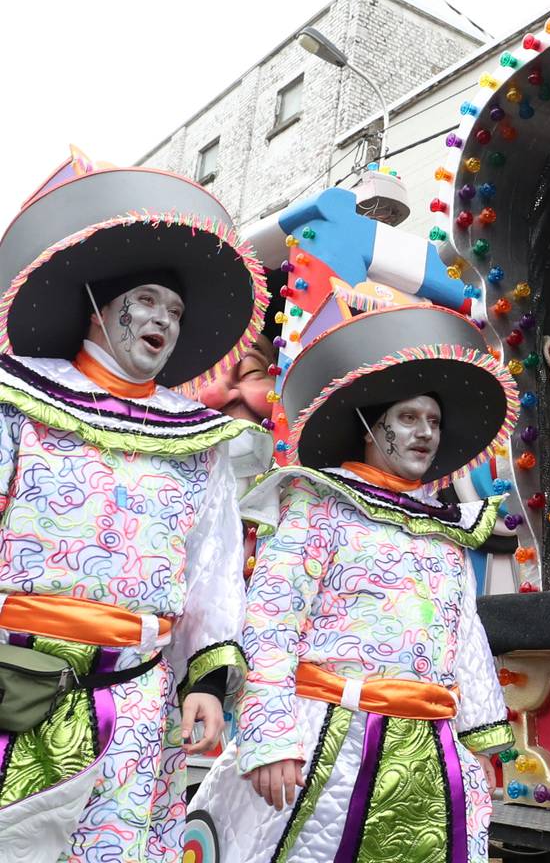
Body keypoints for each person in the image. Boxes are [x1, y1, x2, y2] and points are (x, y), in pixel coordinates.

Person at [0, 156, 269, 860]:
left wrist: (205, 680)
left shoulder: (196, 436)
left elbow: (212, 567)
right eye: (147, 301)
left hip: (139, 699)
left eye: (176, 312)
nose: (163, 321)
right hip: (14, 680)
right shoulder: (18, 399)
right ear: (97, 303)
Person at [189, 302, 518, 863]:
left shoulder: (444, 528)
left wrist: (481, 739)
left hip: (431, 756)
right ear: (370, 426)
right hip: (327, 740)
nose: (425, 434)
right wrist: (270, 740)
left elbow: (466, 639)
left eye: (434, 422)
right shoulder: (318, 503)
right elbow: (271, 622)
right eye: (409, 418)